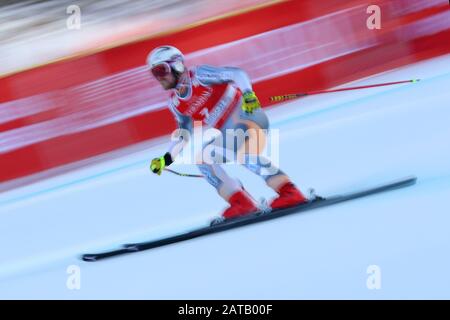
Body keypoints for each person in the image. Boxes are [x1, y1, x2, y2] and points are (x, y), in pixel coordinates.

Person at [147, 45, 308, 221]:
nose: (159, 78)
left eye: (162, 70)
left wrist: (248, 94)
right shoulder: (175, 103)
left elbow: (236, 74)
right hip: (229, 133)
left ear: (177, 65)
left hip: (248, 118)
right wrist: (165, 159)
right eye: (155, 73)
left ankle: (289, 191)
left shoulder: (199, 76)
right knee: (203, 160)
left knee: (239, 149)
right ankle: (241, 202)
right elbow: (184, 133)